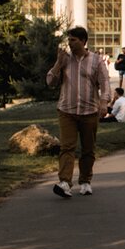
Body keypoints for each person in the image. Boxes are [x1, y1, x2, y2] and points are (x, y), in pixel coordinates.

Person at [47, 26, 110, 198]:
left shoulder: (96, 60)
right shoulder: (64, 60)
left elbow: (105, 83)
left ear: (83, 41)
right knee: (67, 147)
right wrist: (58, 64)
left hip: (89, 111)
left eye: (73, 40)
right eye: (69, 40)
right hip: (67, 110)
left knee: (88, 149)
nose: (70, 43)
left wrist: (104, 103)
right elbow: (50, 82)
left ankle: (85, 181)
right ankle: (65, 182)